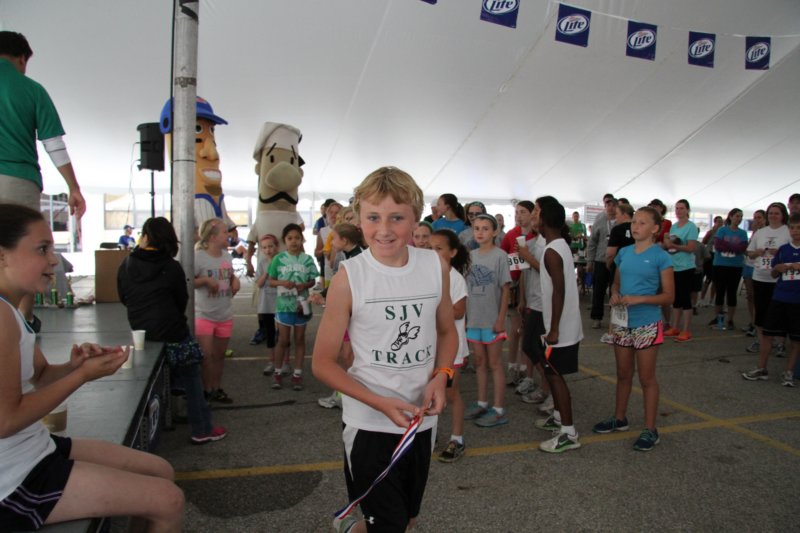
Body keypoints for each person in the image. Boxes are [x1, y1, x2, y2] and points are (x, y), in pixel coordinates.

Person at [0, 204, 183, 531]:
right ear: (2, 256)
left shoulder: (11, 311)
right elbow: (6, 420)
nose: (54, 260)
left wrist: (75, 366)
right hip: (13, 480)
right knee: (168, 500)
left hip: (34, 449)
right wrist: (82, 376)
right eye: (42, 249)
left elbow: (41, 376)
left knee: (160, 470)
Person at [312, 166, 457, 533]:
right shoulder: (349, 277)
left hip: (421, 421)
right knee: (389, 524)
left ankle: (351, 528)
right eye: (373, 217)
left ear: (416, 219)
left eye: (397, 217)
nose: (384, 229)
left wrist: (442, 376)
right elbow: (323, 363)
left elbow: (446, 331)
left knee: (407, 519)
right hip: (369, 423)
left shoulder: (435, 266)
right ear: (358, 219)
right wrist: (379, 403)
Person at [0, 32, 86, 332]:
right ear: (21, 58)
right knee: (23, 253)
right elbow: (54, 144)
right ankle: (22, 325)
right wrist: (73, 187)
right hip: (16, 180)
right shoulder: (31, 89)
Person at [117, 216, 226, 445]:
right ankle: (202, 428)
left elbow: (123, 297)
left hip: (141, 331)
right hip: (172, 330)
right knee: (192, 375)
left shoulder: (127, 265)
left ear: (146, 237)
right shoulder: (171, 267)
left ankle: (171, 391)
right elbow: (181, 300)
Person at [592, 207, 674, 451]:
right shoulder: (624, 253)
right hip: (622, 322)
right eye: (634, 222)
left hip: (647, 322)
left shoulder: (661, 256)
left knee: (646, 378)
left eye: (642, 223)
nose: (635, 226)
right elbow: (616, 284)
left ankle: (650, 429)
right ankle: (619, 418)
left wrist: (640, 299)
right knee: (623, 373)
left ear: (655, 229)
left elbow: (669, 296)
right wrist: (615, 294)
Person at [534, 198, 584, 453]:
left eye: (536, 213)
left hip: (561, 329)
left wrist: (553, 329)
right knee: (553, 374)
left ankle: (568, 433)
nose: (534, 217)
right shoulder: (558, 245)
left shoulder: (552, 251)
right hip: (564, 325)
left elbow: (559, 291)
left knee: (554, 376)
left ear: (544, 219)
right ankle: (557, 418)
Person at [463, 214, 511, 428]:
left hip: (492, 321)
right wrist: (465, 318)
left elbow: (505, 289)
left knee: (495, 363)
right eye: (477, 228)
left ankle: (498, 409)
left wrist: (501, 319)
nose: (480, 232)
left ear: (495, 232)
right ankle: (482, 402)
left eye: (485, 228)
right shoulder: (469, 256)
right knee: (479, 363)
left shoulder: (500, 256)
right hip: (474, 319)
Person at [742, 212, 800, 386]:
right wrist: (779, 268)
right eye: (793, 228)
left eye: (799, 228)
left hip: (797, 301)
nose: (795, 231)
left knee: (796, 338)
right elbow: (774, 272)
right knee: (767, 333)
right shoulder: (783, 249)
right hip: (779, 297)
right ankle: (761, 368)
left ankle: (789, 372)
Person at [430, 229, 470, 462]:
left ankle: (457, 439)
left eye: (439, 249)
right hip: (430, 347)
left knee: (450, 392)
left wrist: (432, 309)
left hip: (451, 349)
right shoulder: (427, 275)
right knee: (428, 391)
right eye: (430, 249)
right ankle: (430, 433)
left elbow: (459, 311)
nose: (433, 253)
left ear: (453, 252)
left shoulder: (455, 279)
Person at [317, 222, 366, 409]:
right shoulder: (351, 255)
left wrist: (326, 296)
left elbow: (351, 285)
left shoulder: (357, 259)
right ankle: (346, 393)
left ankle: (349, 395)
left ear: (344, 240)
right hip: (351, 311)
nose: (331, 242)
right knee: (345, 354)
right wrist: (324, 294)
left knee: (348, 355)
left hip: (354, 313)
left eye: (334, 238)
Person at [194, 218, 240, 403]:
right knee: (206, 356)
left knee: (219, 355)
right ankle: (206, 390)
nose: (228, 235)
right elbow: (188, 281)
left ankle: (216, 387)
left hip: (224, 314)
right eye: (224, 232)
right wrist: (205, 280)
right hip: (204, 314)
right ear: (213, 237)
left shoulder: (226, 256)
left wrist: (235, 281)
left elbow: (230, 275)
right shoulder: (199, 257)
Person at [269, 223, 318, 391]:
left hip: (301, 306)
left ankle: (297, 374)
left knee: (299, 340)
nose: (294, 241)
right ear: (284, 240)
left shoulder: (307, 259)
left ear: (302, 240)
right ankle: (278, 372)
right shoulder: (278, 259)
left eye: (297, 238)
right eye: (290, 238)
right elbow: (271, 281)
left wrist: (306, 285)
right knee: (283, 340)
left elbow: (313, 280)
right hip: (284, 306)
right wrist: (283, 282)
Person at [516, 198, 553, 410]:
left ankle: (550, 389)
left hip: (544, 304)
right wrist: (522, 299)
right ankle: (546, 387)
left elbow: (547, 272)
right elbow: (524, 273)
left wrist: (527, 256)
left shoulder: (550, 244)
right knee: (530, 347)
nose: (531, 215)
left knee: (537, 348)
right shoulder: (530, 243)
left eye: (535, 211)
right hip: (532, 301)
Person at [744, 202, 790, 357]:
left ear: (783, 215)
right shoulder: (760, 232)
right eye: (770, 213)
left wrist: (780, 253)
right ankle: (760, 340)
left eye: (776, 213)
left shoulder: (788, 231)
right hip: (760, 277)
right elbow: (749, 253)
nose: (773, 216)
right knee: (761, 310)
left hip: (780, 279)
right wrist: (757, 252)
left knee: (780, 311)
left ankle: (780, 343)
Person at [499, 201, 536, 386]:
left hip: (533, 286)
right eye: (516, 212)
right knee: (515, 329)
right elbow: (502, 258)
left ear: (532, 214)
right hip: (514, 286)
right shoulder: (511, 235)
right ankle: (512, 366)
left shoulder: (537, 235)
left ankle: (525, 368)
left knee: (528, 330)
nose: (518, 216)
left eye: (523, 212)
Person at [662, 200, 699, 342]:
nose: (678, 211)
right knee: (676, 298)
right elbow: (669, 245)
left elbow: (691, 247)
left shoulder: (691, 227)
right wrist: (667, 243)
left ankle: (686, 330)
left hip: (686, 267)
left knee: (685, 299)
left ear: (687, 210)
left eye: (681, 208)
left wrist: (674, 246)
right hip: (674, 265)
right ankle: (675, 327)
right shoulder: (674, 226)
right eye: (677, 208)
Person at [601, 203, 635, 343]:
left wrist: (609, 265)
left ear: (625, 214)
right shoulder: (638, 229)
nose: (616, 217)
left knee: (616, 296)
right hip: (637, 268)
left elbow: (610, 252)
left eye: (617, 214)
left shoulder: (617, 229)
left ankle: (613, 332)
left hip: (620, 267)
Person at [710, 208, 748, 330]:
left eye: (741, 216)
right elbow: (718, 246)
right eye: (737, 216)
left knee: (732, 293)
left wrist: (727, 245)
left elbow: (742, 248)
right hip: (720, 265)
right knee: (720, 292)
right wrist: (734, 247)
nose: (739, 218)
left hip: (735, 266)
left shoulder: (742, 233)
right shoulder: (722, 230)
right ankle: (718, 317)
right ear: (730, 217)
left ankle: (730, 319)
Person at [587, 195, 618, 329]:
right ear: (604, 207)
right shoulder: (599, 221)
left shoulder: (621, 222)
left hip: (617, 261)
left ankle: (615, 317)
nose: (610, 208)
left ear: (617, 207)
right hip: (600, 260)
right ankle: (597, 317)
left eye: (613, 205)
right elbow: (592, 242)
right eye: (607, 205)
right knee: (598, 290)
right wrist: (590, 261)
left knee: (615, 290)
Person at [253, 235, 279, 371]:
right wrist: (266, 272)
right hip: (266, 304)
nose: (268, 250)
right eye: (264, 247)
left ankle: (283, 361)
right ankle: (271, 361)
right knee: (270, 332)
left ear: (276, 247)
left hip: (281, 303)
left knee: (282, 334)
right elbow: (259, 283)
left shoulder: (282, 261)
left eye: (270, 246)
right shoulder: (262, 263)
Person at [742, 210, 766, 337]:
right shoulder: (755, 232)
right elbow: (748, 250)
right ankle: (752, 321)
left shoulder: (767, 232)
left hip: (761, 267)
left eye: (759, 217)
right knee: (750, 295)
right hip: (749, 265)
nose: (757, 220)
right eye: (755, 217)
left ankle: (759, 323)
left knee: (759, 297)